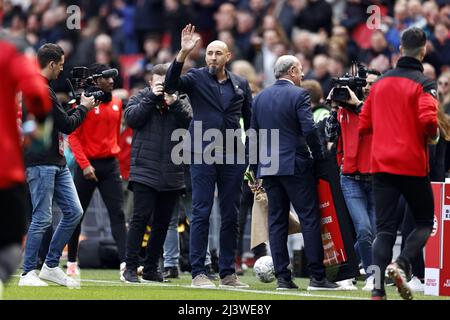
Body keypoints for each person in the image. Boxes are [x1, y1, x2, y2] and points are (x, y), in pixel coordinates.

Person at [164, 24, 252, 288]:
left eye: (217, 53)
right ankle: (198, 273)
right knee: (201, 212)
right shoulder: (195, 78)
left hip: (233, 157)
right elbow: (170, 85)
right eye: (209, 53)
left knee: (230, 214)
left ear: (228, 57)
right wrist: (182, 54)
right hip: (201, 153)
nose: (212, 57)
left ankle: (227, 273)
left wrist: (251, 158)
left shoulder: (241, 84)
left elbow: (251, 122)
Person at [359, 27, 439, 300]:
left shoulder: (379, 84)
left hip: (381, 165)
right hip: (412, 164)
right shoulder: (425, 83)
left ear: (400, 49)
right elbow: (429, 120)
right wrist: (434, 135)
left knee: (384, 229)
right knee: (424, 221)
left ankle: (378, 290)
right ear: (423, 49)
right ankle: (402, 263)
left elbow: (365, 123)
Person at [250, 55, 340, 291]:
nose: (302, 75)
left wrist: (253, 169)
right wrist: (319, 155)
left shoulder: (260, 98)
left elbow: (253, 135)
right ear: (291, 71)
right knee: (310, 219)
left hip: (268, 166)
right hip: (295, 164)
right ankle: (317, 278)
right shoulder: (299, 95)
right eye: (300, 70)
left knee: (277, 222)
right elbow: (309, 130)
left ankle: (283, 278)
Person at [19, 43, 96, 287]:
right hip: (41, 162)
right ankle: (27, 272)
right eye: (60, 65)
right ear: (51, 63)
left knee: (74, 211)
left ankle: (51, 265)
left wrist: (76, 108)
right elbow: (66, 125)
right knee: (42, 218)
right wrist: (84, 107)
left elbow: (58, 120)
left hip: (56, 161)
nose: (62, 70)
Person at [121, 63, 192, 283]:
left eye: (166, 83)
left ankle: (151, 268)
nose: (163, 87)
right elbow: (131, 119)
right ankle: (130, 268)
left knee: (162, 222)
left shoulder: (181, 99)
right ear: (151, 82)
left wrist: (174, 102)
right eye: (159, 83)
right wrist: (152, 97)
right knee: (139, 220)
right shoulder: (140, 97)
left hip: (172, 171)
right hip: (145, 169)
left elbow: (190, 121)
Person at [0, 35, 52, 297]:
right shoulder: (11, 49)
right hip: (4, 167)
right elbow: (37, 95)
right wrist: (39, 129)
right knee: (9, 245)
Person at [67, 63, 128, 278]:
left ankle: (125, 265)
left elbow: (115, 135)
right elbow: (73, 136)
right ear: (95, 80)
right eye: (106, 78)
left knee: (118, 214)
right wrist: (84, 165)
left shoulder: (117, 103)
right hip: (87, 165)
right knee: (76, 215)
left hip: (109, 165)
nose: (112, 81)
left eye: (113, 78)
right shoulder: (83, 105)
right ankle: (72, 262)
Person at [324, 69, 381, 291]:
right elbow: (329, 136)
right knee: (364, 230)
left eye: (372, 83)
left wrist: (357, 104)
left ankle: (343, 269)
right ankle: (372, 276)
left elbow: (378, 125)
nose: (367, 87)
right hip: (350, 178)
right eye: (364, 83)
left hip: (377, 178)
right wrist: (334, 107)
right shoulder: (344, 109)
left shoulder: (382, 106)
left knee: (373, 233)